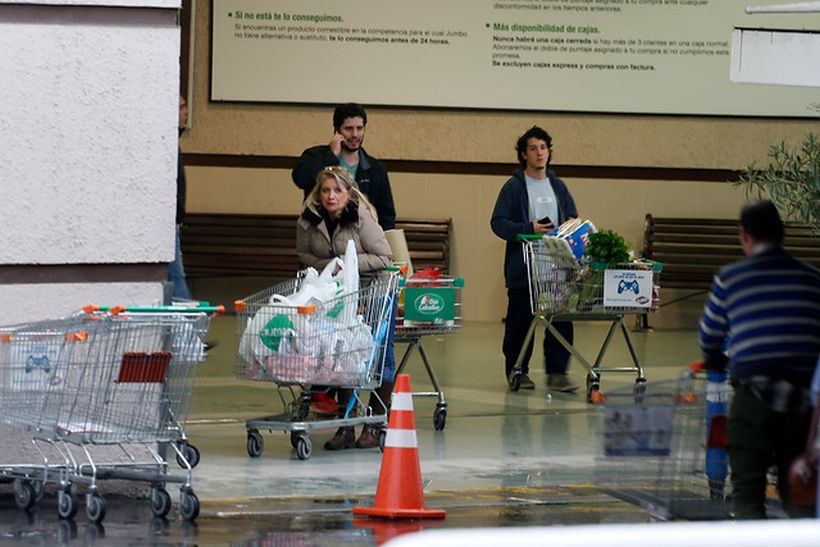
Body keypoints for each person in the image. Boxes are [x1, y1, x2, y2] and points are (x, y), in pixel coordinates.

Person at [699, 200, 820, 519]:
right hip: (801, 402)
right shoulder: (813, 278)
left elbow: (709, 337)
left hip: (753, 399)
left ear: (745, 235)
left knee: (747, 492)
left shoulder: (730, 277)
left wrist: (717, 361)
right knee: (799, 490)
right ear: (781, 234)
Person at [296, 166, 396, 450]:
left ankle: (374, 423)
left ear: (349, 193)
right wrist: (329, 267)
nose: (331, 196)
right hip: (337, 294)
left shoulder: (361, 217)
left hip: (374, 290)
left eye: (337, 191)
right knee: (342, 355)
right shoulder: (308, 220)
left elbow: (384, 257)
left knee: (379, 357)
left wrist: (347, 262)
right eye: (326, 190)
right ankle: (346, 426)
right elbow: (304, 254)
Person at [490, 126, 579, 393]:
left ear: (549, 152)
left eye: (543, 148)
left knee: (561, 321)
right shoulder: (513, 187)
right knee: (519, 324)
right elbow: (498, 223)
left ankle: (558, 373)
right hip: (525, 269)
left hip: (557, 268)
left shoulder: (558, 186)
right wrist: (529, 228)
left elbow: (572, 218)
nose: (539, 153)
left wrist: (569, 228)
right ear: (523, 154)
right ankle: (518, 371)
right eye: (533, 148)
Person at [292, 103, 396, 231]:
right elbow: (300, 179)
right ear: (337, 130)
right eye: (349, 129)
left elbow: (386, 215)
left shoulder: (376, 168)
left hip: (361, 236)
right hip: (320, 233)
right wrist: (331, 156)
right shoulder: (315, 156)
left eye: (359, 128)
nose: (355, 134)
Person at [169, 94, 192, 301]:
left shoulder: (172, 142)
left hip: (172, 220)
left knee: (173, 276)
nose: (186, 112)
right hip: (167, 223)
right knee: (176, 276)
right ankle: (187, 318)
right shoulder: (167, 144)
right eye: (181, 107)